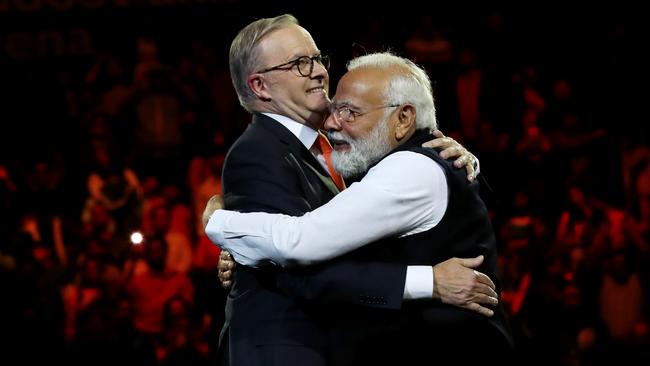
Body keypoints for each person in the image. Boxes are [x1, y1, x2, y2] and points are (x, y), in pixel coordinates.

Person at [213, 14, 497, 366]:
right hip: (285, 348)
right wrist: (431, 281)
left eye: (317, 58)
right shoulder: (259, 152)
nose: (318, 71)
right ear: (260, 86)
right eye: (300, 63)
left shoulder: (344, 151)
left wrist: (234, 235)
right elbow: (299, 262)